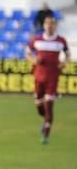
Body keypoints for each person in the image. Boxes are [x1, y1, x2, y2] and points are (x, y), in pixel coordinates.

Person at [25, 14, 70, 144]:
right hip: (39, 78)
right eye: (47, 23)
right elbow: (27, 52)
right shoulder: (37, 40)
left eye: (52, 23)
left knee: (49, 105)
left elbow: (67, 54)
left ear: (55, 25)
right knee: (39, 106)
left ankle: (46, 134)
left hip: (52, 78)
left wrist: (64, 62)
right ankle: (46, 121)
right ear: (44, 25)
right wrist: (34, 60)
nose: (50, 26)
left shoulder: (60, 41)